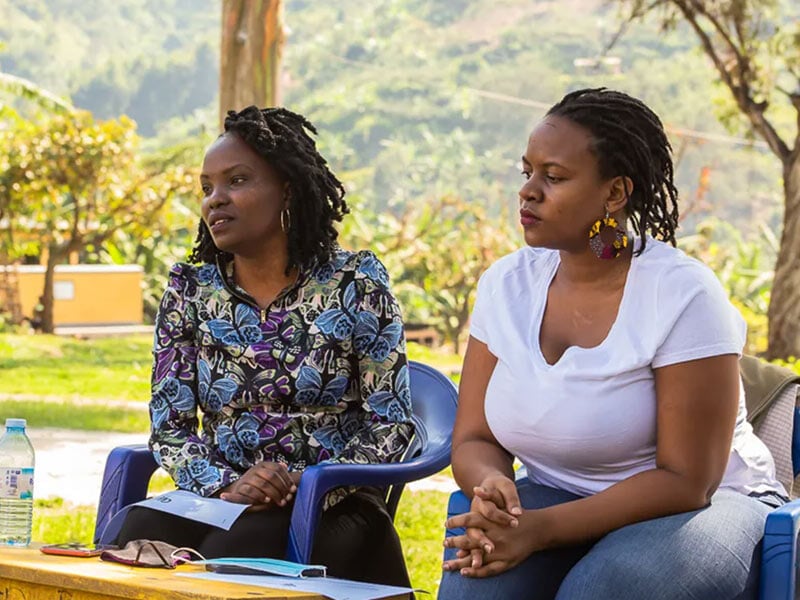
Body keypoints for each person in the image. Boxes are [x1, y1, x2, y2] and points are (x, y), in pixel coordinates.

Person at [438, 88, 787, 600]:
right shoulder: (505, 285)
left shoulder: (682, 294)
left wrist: (543, 529)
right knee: (477, 585)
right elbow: (472, 437)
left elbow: (687, 480)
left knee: (604, 587)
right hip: (557, 496)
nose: (528, 191)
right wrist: (491, 483)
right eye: (527, 172)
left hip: (706, 506)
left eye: (553, 177)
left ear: (615, 193)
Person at [116, 106, 414, 587]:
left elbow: (392, 426)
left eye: (236, 181)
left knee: (236, 555)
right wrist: (227, 486)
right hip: (219, 498)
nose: (216, 200)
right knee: (136, 534)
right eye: (207, 188)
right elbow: (170, 425)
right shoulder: (190, 291)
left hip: (329, 501)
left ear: (288, 190)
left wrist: (303, 483)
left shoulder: (355, 284)